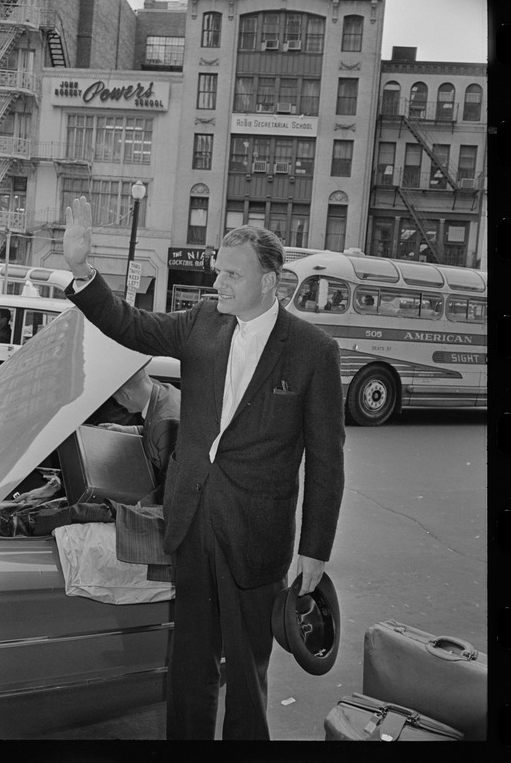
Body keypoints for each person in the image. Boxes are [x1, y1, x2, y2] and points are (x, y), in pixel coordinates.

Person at [63, 196, 345, 741]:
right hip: (193, 524)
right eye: (218, 271)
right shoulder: (201, 323)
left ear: (271, 282)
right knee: (190, 668)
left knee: (246, 675)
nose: (219, 283)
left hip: (255, 536)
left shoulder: (313, 351)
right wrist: (83, 271)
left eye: (232, 274)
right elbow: (132, 325)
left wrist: (316, 548)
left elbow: (327, 458)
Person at [98, 364, 181, 506]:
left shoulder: (167, 422)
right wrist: (129, 431)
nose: (119, 404)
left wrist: (137, 507)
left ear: (126, 394)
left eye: (116, 399)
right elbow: (157, 430)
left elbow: (171, 485)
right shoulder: (163, 392)